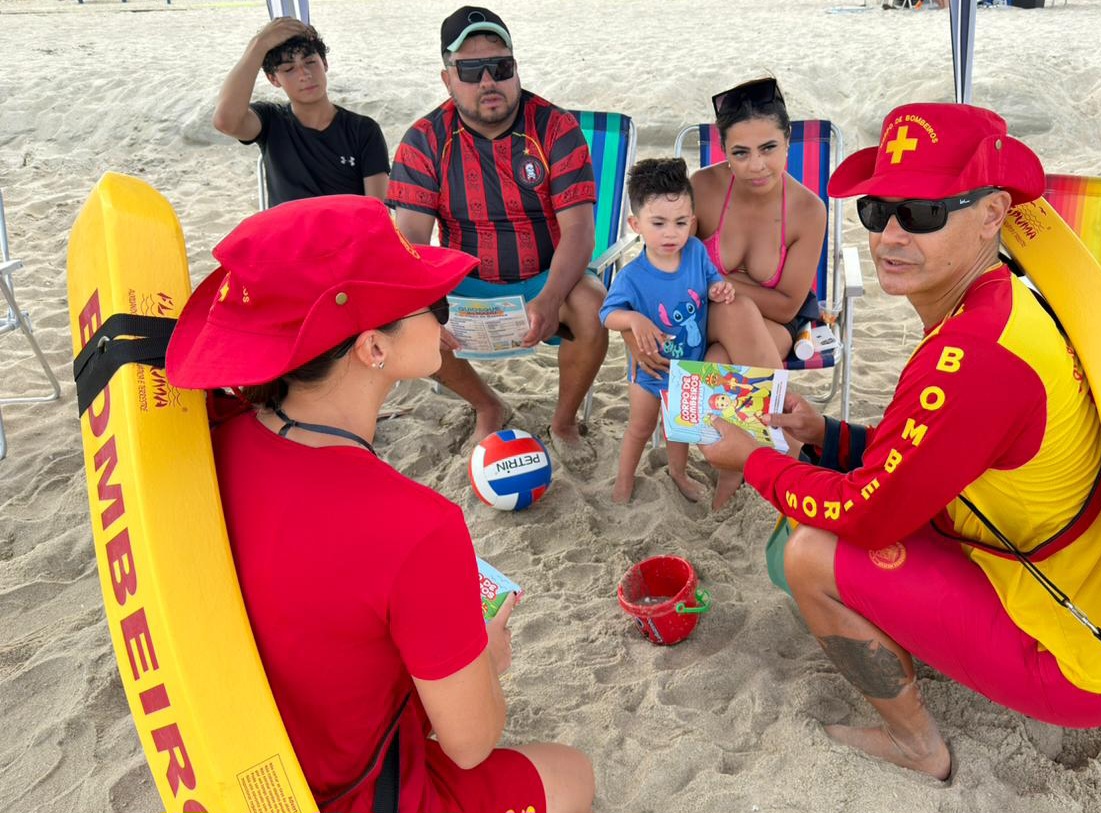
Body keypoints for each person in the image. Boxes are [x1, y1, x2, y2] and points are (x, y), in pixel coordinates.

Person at [700, 103, 1101, 782]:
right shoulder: (1003, 301)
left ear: (993, 213)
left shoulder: (975, 355)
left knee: (807, 553)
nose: (889, 234)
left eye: (922, 213)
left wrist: (754, 459)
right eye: (878, 208)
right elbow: (929, 457)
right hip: (1082, 584)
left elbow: (869, 511)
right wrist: (825, 433)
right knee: (815, 519)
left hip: (1080, 651)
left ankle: (918, 745)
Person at [165, 196, 594, 813]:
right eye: (433, 305)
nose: (445, 327)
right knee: (571, 774)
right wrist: (488, 657)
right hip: (356, 790)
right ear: (373, 349)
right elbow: (471, 742)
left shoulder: (220, 439)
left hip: (256, 761)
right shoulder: (417, 527)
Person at [388, 6, 606, 454]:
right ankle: (487, 404)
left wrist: (548, 298)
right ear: (447, 79)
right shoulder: (424, 140)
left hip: (547, 284)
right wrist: (426, 304)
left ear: (515, 69)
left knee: (592, 304)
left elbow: (581, 232)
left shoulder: (555, 128)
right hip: (464, 288)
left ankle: (563, 424)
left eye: (500, 66)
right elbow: (409, 243)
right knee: (404, 316)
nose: (488, 80)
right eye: (470, 69)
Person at [599, 158, 737, 504]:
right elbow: (607, 314)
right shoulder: (632, 276)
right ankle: (623, 481)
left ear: (692, 222)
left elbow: (711, 282)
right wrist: (633, 320)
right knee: (640, 428)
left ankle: (678, 472)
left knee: (680, 428)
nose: (670, 233)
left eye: (680, 222)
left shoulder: (694, 252)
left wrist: (720, 289)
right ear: (636, 224)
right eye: (658, 223)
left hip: (689, 368)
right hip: (650, 371)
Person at [690, 78, 829, 361]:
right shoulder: (703, 187)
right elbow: (674, 265)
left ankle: (694, 407)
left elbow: (787, 307)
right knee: (735, 311)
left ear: (788, 140)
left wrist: (710, 278)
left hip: (775, 324)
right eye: (740, 153)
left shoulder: (807, 210)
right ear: (724, 149)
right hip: (702, 315)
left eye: (768, 148)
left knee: (719, 357)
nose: (756, 166)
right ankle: (775, 406)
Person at [213, 18, 390, 208]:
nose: (304, 74)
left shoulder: (362, 130)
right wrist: (259, 45)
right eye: (289, 69)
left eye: (311, 62)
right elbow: (225, 121)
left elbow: (377, 211)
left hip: (347, 235)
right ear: (273, 79)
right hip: (288, 234)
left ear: (325, 63)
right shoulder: (271, 121)